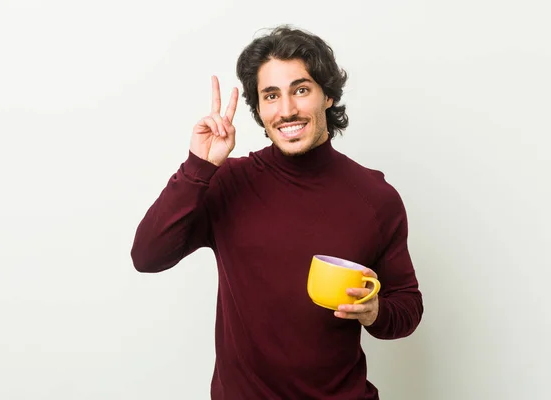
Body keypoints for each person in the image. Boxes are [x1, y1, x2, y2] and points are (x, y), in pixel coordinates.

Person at [131, 25, 423, 400]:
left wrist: (374, 311)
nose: (286, 110)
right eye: (271, 96)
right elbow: (147, 256)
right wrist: (197, 168)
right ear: (259, 108)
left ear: (328, 96)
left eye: (301, 90)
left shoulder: (375, 197)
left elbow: (407, 307)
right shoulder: (227, 182)